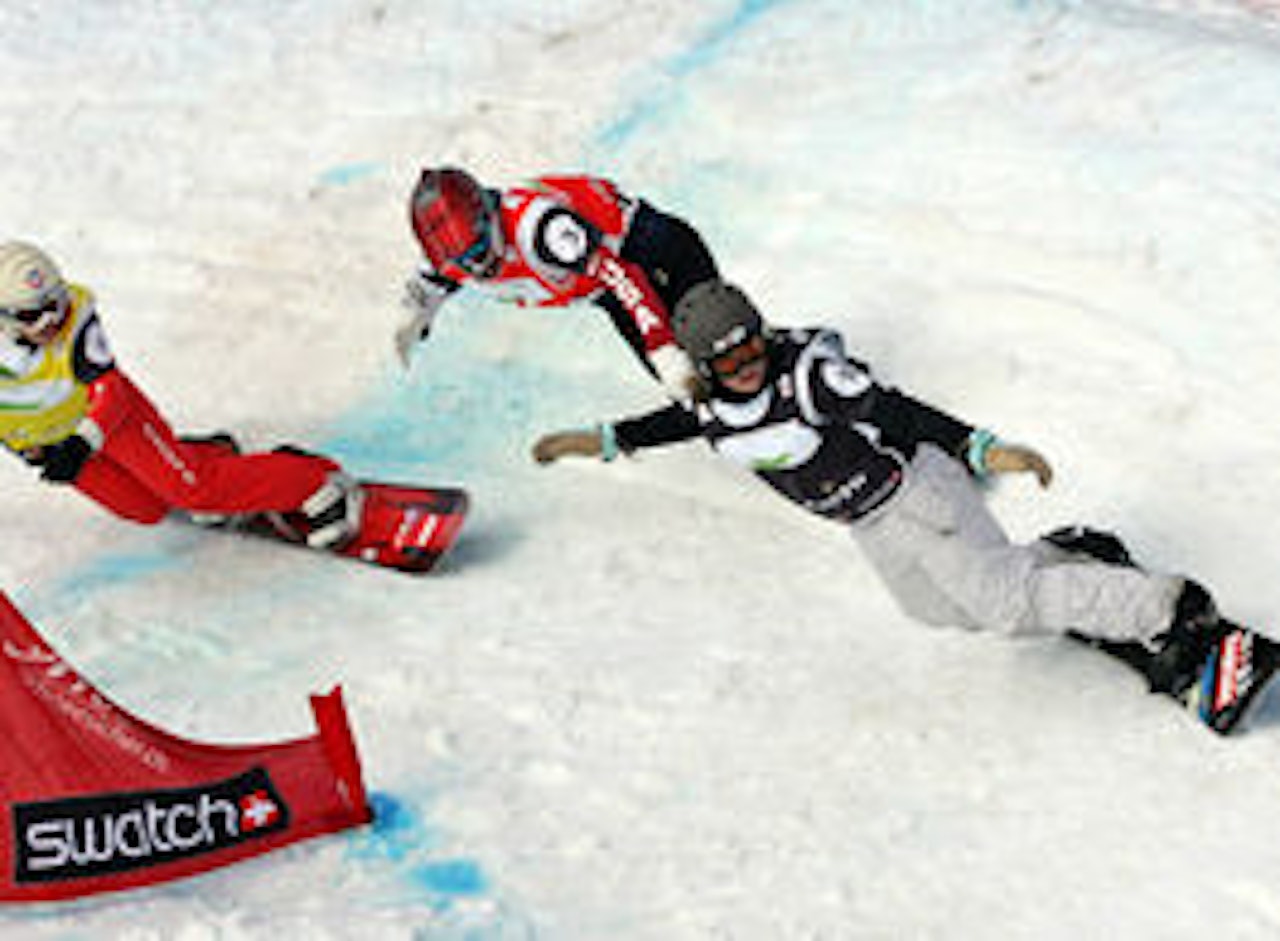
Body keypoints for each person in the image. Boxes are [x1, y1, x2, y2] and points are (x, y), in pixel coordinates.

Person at [531, 279, 1264, 728]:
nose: (749, 363)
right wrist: (597, 439)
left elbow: (895, 408)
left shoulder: (809, 377)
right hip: (868, 522)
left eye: (752, 346)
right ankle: (1076, 560)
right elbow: (677, 423)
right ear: (706, 367)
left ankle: (1171, 610)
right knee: (940, 609)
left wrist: (981, 448)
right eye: (731, 360)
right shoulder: (711, 403)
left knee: (1005, 603)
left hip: (918, 491)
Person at [0, 241, 361, 548]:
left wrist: (81, 443)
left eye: (55, 303)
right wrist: (31, 452)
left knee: (192, 491)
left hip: (109, 420)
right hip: (58, 443)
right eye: (32, 315)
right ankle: (205, 460)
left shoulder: (77, 320)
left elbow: (108, 388)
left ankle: (314, 483)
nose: (50, 321)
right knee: (146, 510)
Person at [396, 168, 720, 397]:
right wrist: (410, 322)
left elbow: (624, 276)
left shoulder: (545, 231)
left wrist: (663, 348)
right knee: (693, 393)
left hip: (653, 251)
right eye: (463, 264)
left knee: (717, 343)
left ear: (489, 218)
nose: (477, 268)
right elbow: (428, 286)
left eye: (480, 252)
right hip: (607, 293)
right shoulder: (450, 255)